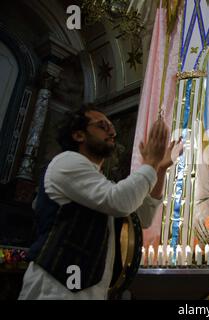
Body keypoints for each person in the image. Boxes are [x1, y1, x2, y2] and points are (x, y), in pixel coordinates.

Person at [19, 106, 180, 299]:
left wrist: (159, 170)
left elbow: (143, 217)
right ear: (79, 135)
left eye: (112, 126)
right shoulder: (66, 162)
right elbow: (120, 202)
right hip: (55, 290)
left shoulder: (100, 182)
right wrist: (150, 163)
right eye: (103, 126)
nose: (112, 132)